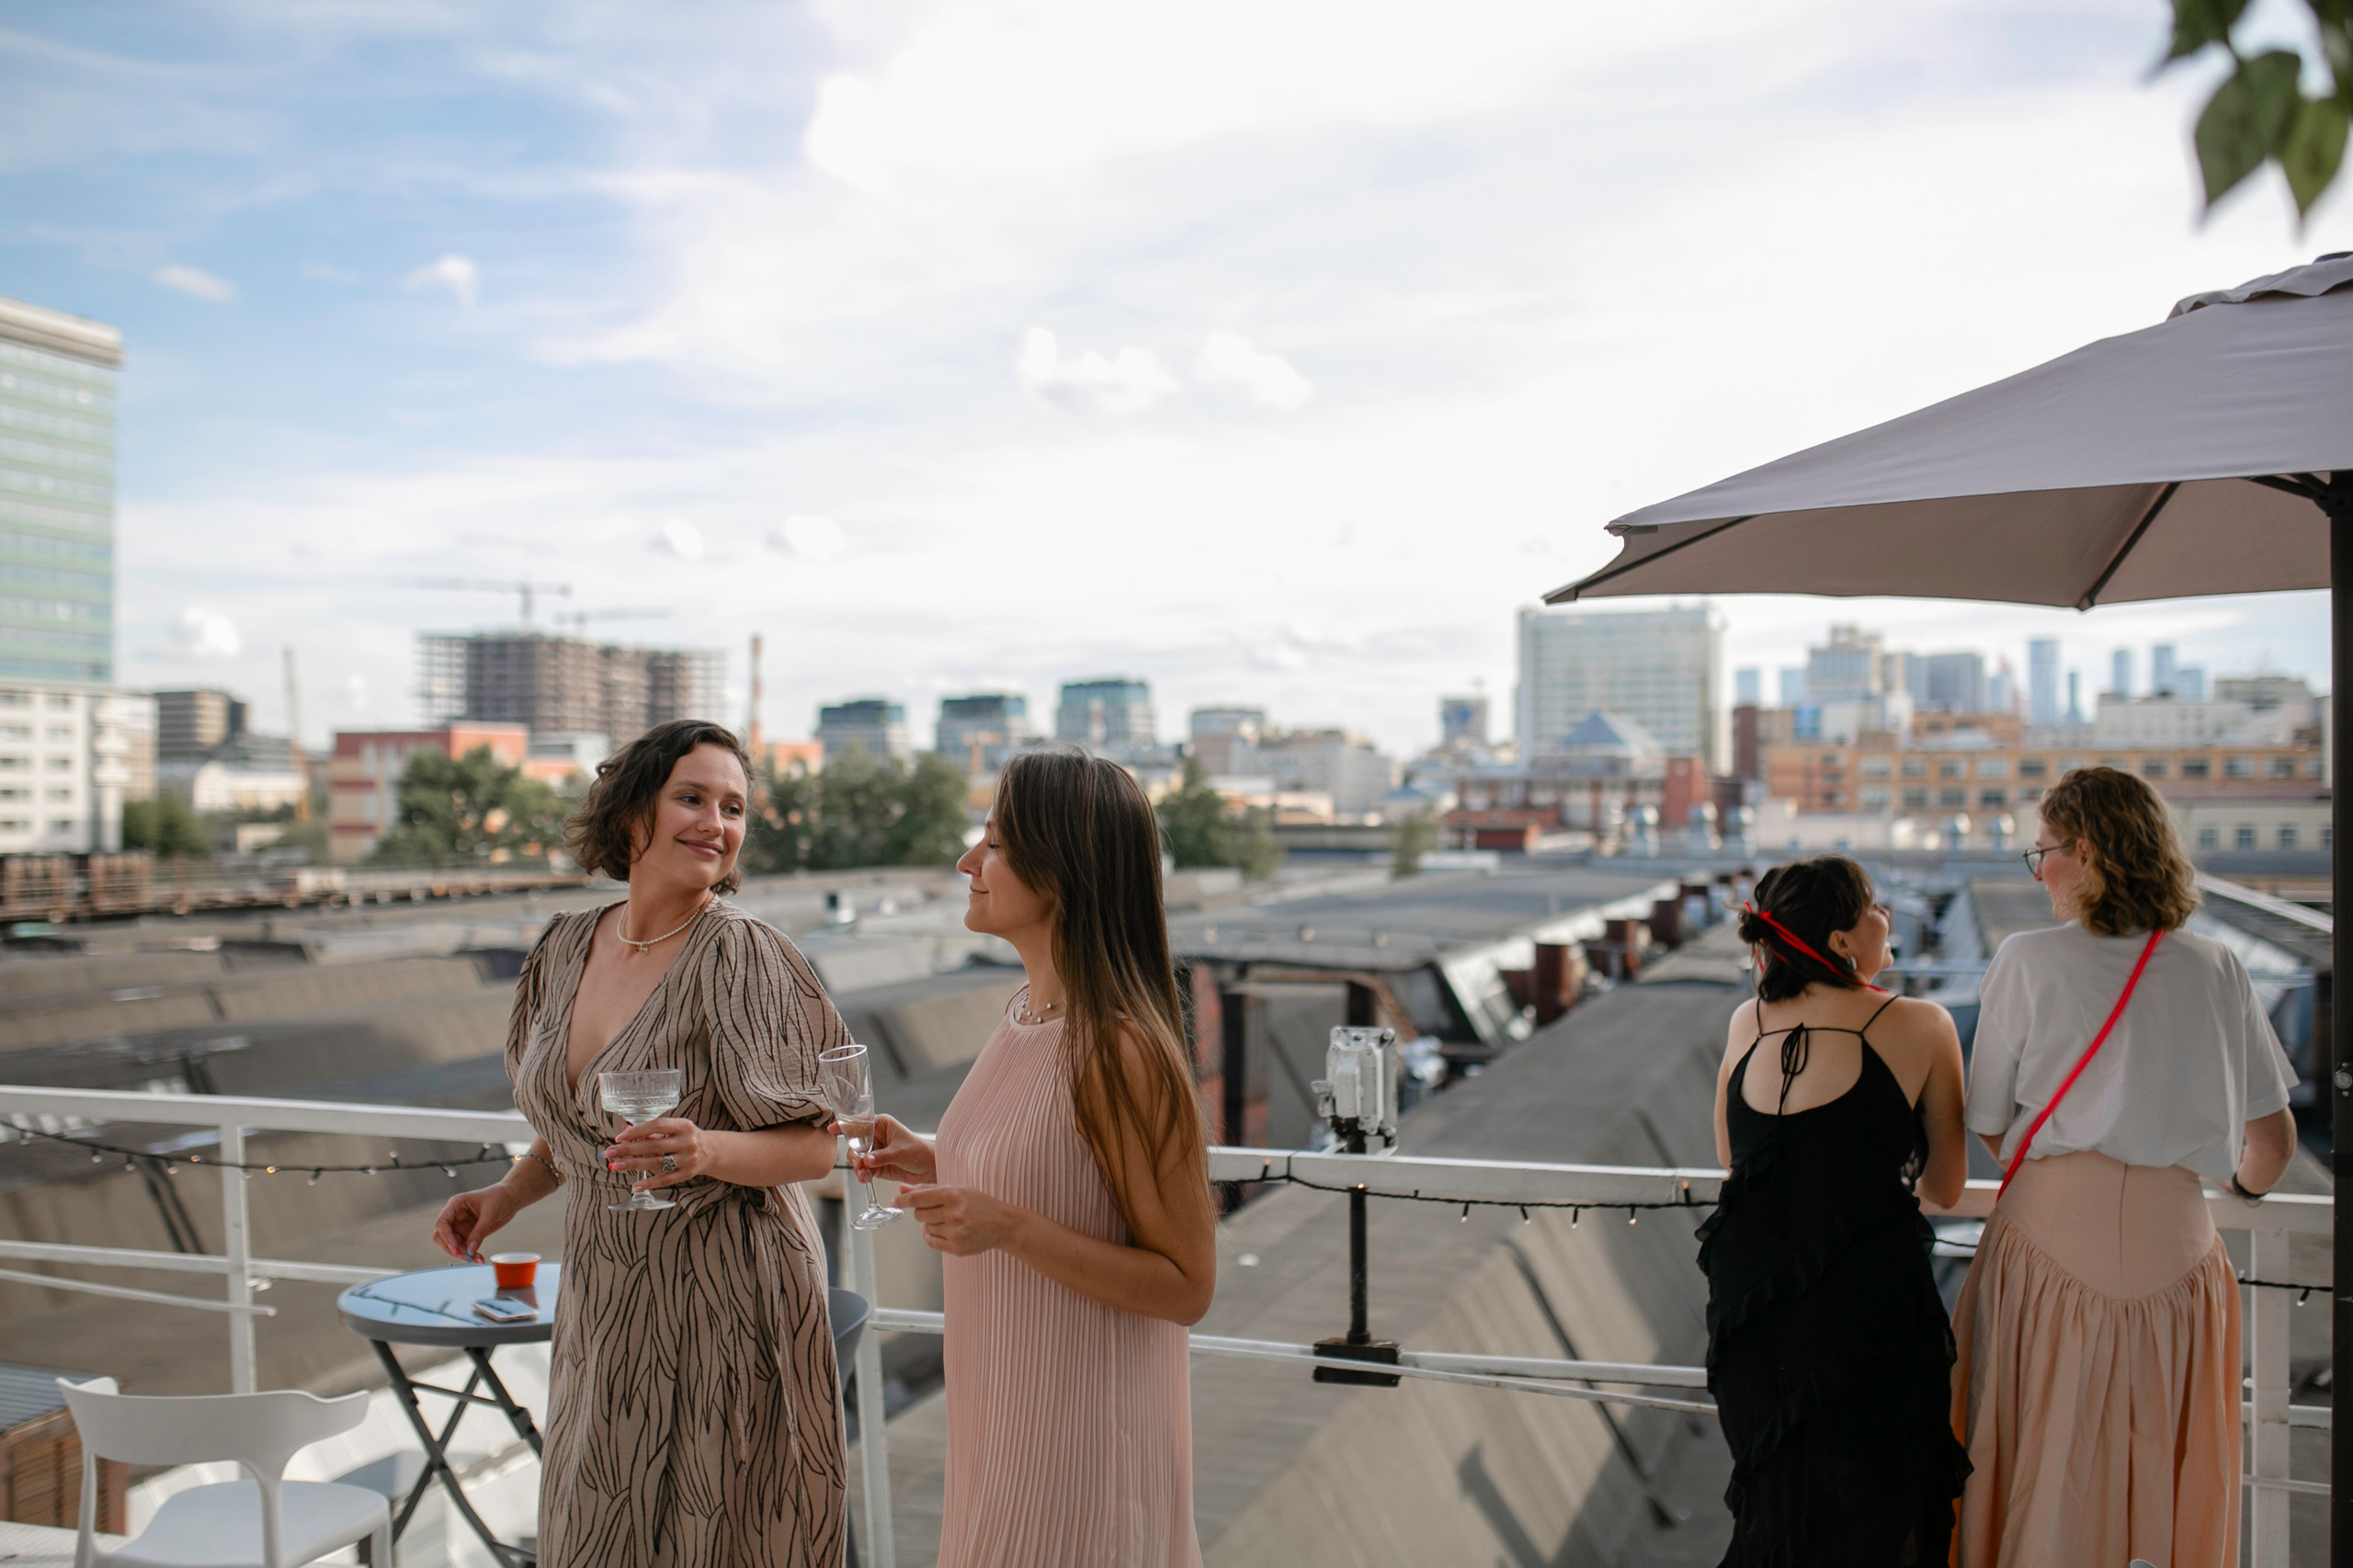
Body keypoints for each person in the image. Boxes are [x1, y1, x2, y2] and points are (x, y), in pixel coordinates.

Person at [430, 720, 848, 1566]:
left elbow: (815, 1146)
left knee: (714, 1536)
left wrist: (707, 1152)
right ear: (632, 818)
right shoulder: (564, 947)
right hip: (607, 1292)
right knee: (596, 1528)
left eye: (733, 807)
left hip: (730, 1292)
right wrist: (506, 1196)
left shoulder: (743, 955)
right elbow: (577, 1133)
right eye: (690, 798)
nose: (715, 823)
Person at [852, 748, 1216, 1568]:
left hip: (1086, 1447)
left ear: (1063, 868)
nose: (967, 863)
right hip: (1002, 1420)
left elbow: (1188, 1286)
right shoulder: (1024, 1013)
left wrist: (1005, 1225)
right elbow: (1057, 1165)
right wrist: (938, 1158)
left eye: (995, 843)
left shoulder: (1121, 1047)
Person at [1953, 766, 2297, 1568]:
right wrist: (2236, 1188)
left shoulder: (2028, 960)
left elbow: (1993, 1128)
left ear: (2090, 851)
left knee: (2043, 1458)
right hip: (2177, 1252)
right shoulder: (2217, 967)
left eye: (2043, 854)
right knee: (2168, 1480)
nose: (2038, 874)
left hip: (2046, 1250)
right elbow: (2272, 1145)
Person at [1699, 854, 1972, 1567]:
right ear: (1844, 940)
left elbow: (1735, 1160)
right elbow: (1945, 1187)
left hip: (1753, 1312)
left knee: (1781, 1502)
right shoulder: (1921, 1023)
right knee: (1879, 1507)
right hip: (1866, 1309)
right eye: (1875, 906)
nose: (1886, 918)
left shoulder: (1746, 1022)